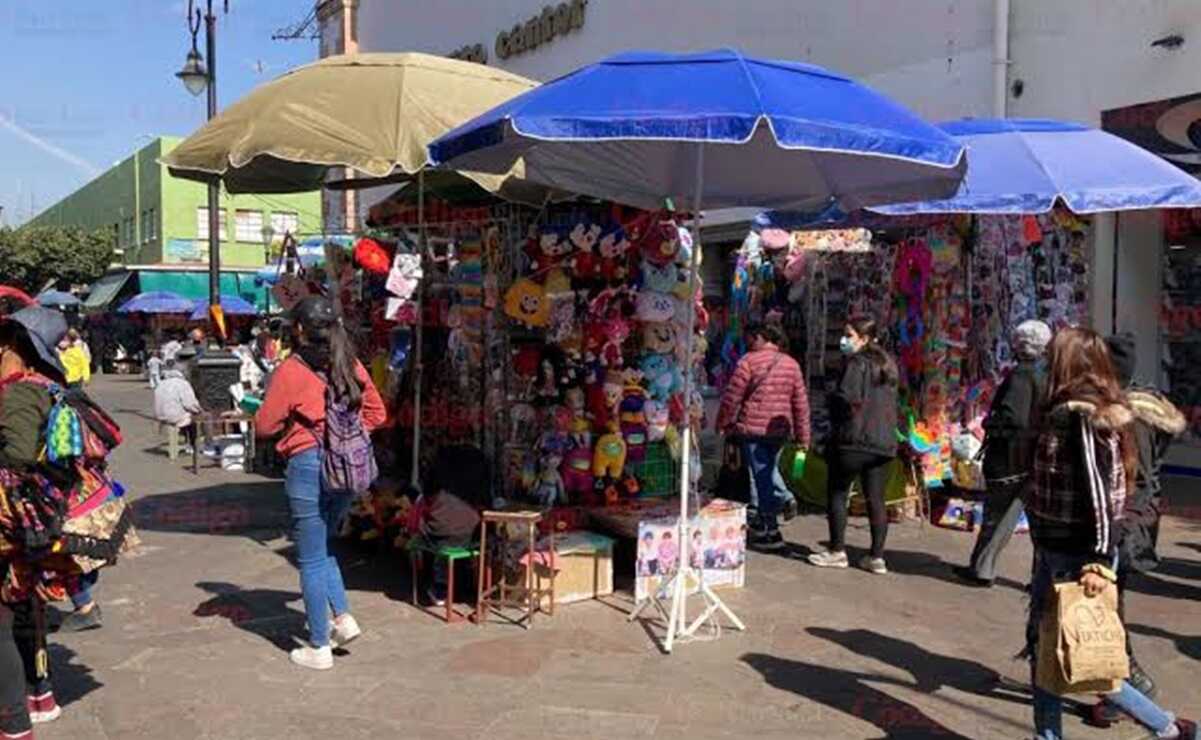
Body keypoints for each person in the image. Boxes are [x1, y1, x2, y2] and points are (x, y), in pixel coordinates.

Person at [1025, 327, 1194, 740]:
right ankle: (1049, 735)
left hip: (1079, 557)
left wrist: (1099, 560)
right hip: (1054, 550)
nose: (1045, 361)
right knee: (1047, 652)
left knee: (1085, 659)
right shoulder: (1060, 408)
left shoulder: (1085, 416)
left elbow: (1102, 495)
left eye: (1052, 355)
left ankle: (1166, 726)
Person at [255, 296, 386, 670]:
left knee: (310, 557)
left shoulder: (291, 371)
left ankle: (318, 646)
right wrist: (347, 435)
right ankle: (342, 619)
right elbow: (378, 412)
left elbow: (265, 426)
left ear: (298, 329)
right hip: (348, 469)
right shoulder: (350, 364)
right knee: (323, 545)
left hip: (309, 466)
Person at [1086, 333, 1187, 725]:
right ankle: (1122, 685)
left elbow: (1128, 478)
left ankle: (1129, 686)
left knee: (1108, 609)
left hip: (1122, 521)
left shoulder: (1123, 416)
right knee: (1111, 605)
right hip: (1137, 518)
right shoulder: (1147, 407)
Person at [0, 307, 79, 737]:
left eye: (7, 343)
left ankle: (13, 722)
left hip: (15, 515)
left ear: (21, 349)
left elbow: (16, 456)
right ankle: (39, 694)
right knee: (25, 605)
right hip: (38, 514)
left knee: (3, 619)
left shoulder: (19, 392)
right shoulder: (48, 387)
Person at [954, 320, 1051, 587]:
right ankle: (1041, 575)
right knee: (1036, 522)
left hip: (1012, 458)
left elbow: (1014, 418)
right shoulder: (1047, 374)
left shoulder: (1022, 375)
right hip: (1034, 457)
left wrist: (989, 423)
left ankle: (982, 568)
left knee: (997, 515)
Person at [808, 316, 899, 575]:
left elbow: (846, 400)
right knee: (876, 500)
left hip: (854, 440)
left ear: (865, 339)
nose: (844, 340)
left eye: (849, 335)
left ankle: (837, 551)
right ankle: (877, 557)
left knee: (837, 493)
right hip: (883, 443)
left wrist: (831, 410)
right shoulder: (889, 366)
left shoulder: (856, 364)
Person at [716, 320, 811, 550]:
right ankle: (765, 522)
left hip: (754, 430)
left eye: (748, 338)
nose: (746, 343)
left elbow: (732, 397)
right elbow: (801, 404)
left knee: (762, 478)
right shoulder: (791, 364)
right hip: (780, 431)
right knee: (767, 473)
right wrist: (803, 437)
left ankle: (771, 531)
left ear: (759, 336)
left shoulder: (748, 362)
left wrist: (722, 422)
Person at [406, 485, 480, 606]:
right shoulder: (473, 484)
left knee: (426, 542)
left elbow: (414, 524)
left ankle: (439, 590)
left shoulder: (429, 491)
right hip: (471, 539)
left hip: (443, 540)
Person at [154, 358, 202, 454]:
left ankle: (185, 439)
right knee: (198, 418)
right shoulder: (183, 384)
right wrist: (200, 409)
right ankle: (195, 445)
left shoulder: (161, 383)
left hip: (160, 415)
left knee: (185, 414)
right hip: (174, 417)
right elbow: (190, 404)